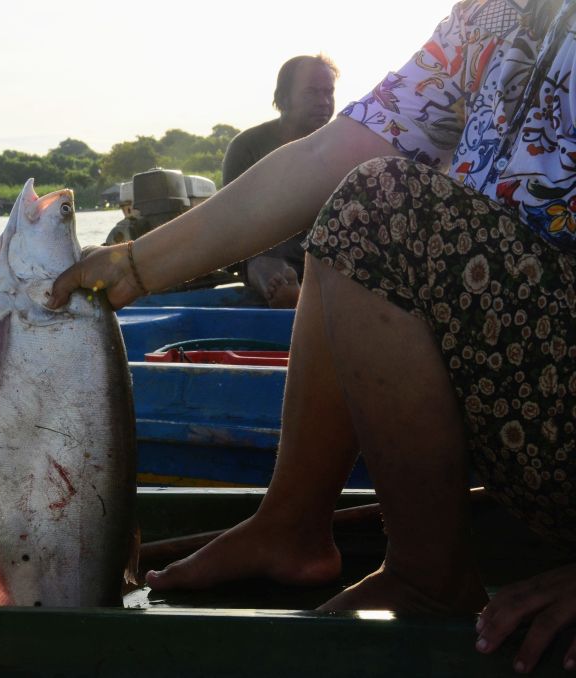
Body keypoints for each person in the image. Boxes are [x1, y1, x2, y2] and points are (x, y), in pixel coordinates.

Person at [48, 0, 576, 672]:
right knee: (355, 210)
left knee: (382, 210)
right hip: (528, 410)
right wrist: (136, 264)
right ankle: (291, 524)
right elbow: (334, 152)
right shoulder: (495, 14)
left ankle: (428, 576)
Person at [222, 55, 337, 308]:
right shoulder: (247, 147)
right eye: (311, 93)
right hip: (268, 246)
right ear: (283, 98)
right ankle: (282, 288)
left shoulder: (341, 147)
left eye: (328, 92)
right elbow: (232, 221)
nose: (323, 102)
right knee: (266, 258)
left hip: (327, 248)